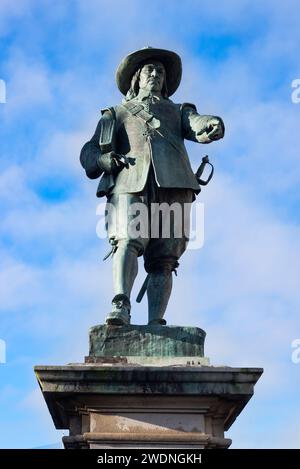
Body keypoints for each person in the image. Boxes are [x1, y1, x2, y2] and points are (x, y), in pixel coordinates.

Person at [80, 47, 224, 326]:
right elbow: (88, 152)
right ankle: (120, 303)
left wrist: (212, 123)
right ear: (136, 78)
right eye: (150, 70)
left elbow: (196, 125)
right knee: (127, 240)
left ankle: (156, 320)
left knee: (165, 258)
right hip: (130, 182)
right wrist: (103, 159)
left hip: (173, 184)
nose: (156, 74)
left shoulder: (179, 110)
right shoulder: (116, 113)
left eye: (160, 71)